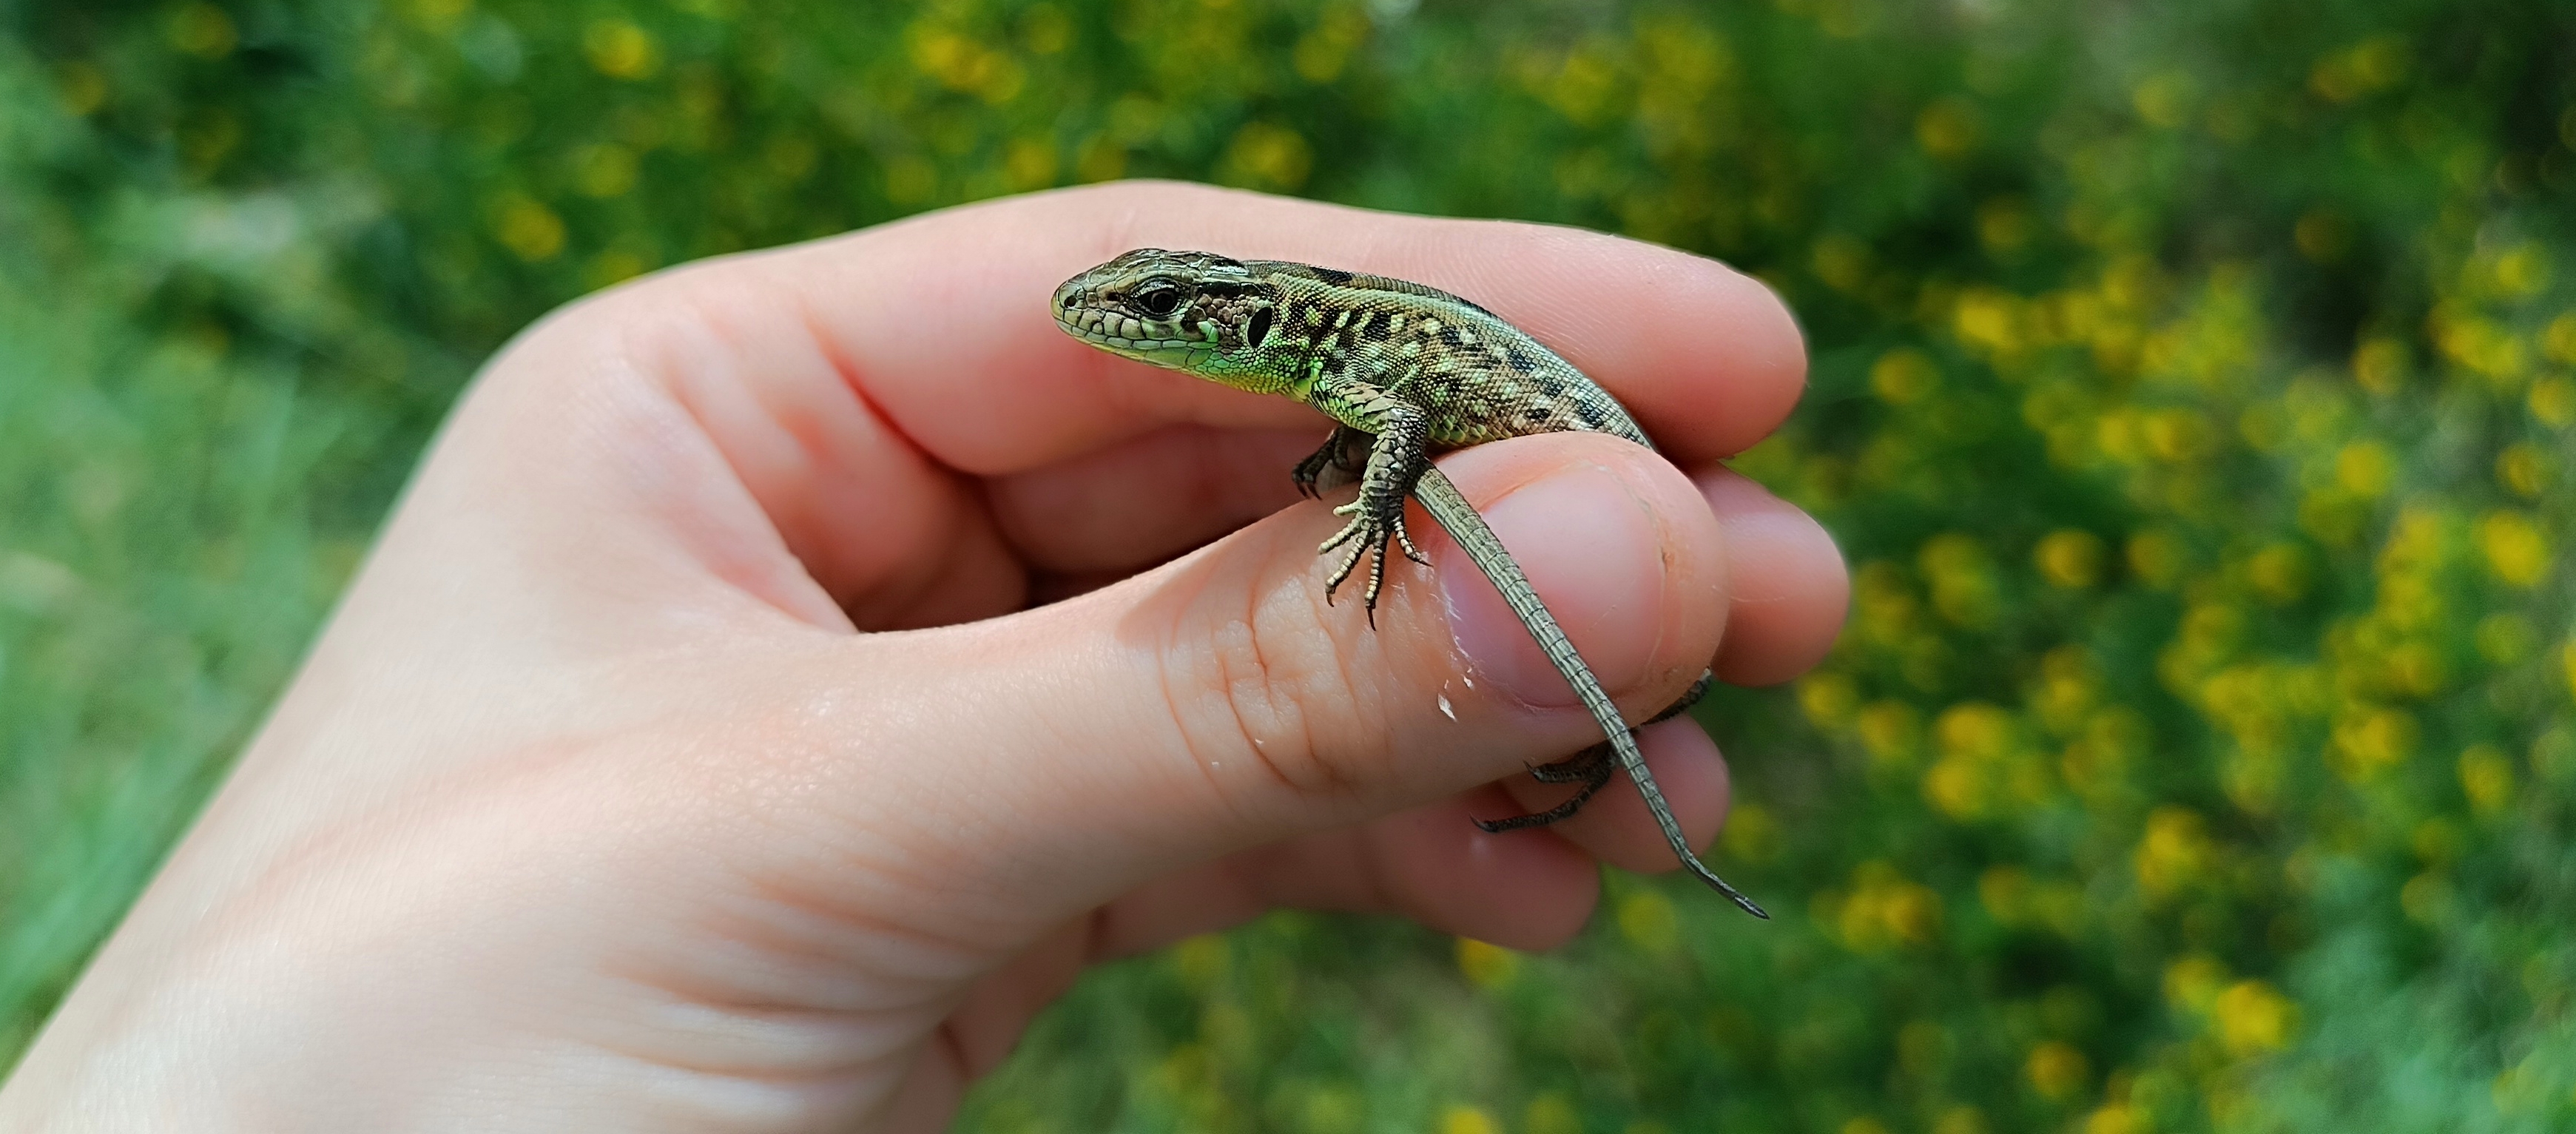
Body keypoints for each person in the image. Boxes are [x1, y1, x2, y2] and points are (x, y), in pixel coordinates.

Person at [0, 183, 1848, 1130]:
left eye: (1149, 316)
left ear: (1223, 319)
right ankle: (1611, 732)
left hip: (1603, 476)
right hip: (1598, 504)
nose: (1114, 332)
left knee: (1529, 591)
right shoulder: (1321, 358)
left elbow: (1393, 429)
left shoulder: (1347, 348)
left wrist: (1369, 515)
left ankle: (1611, 722)